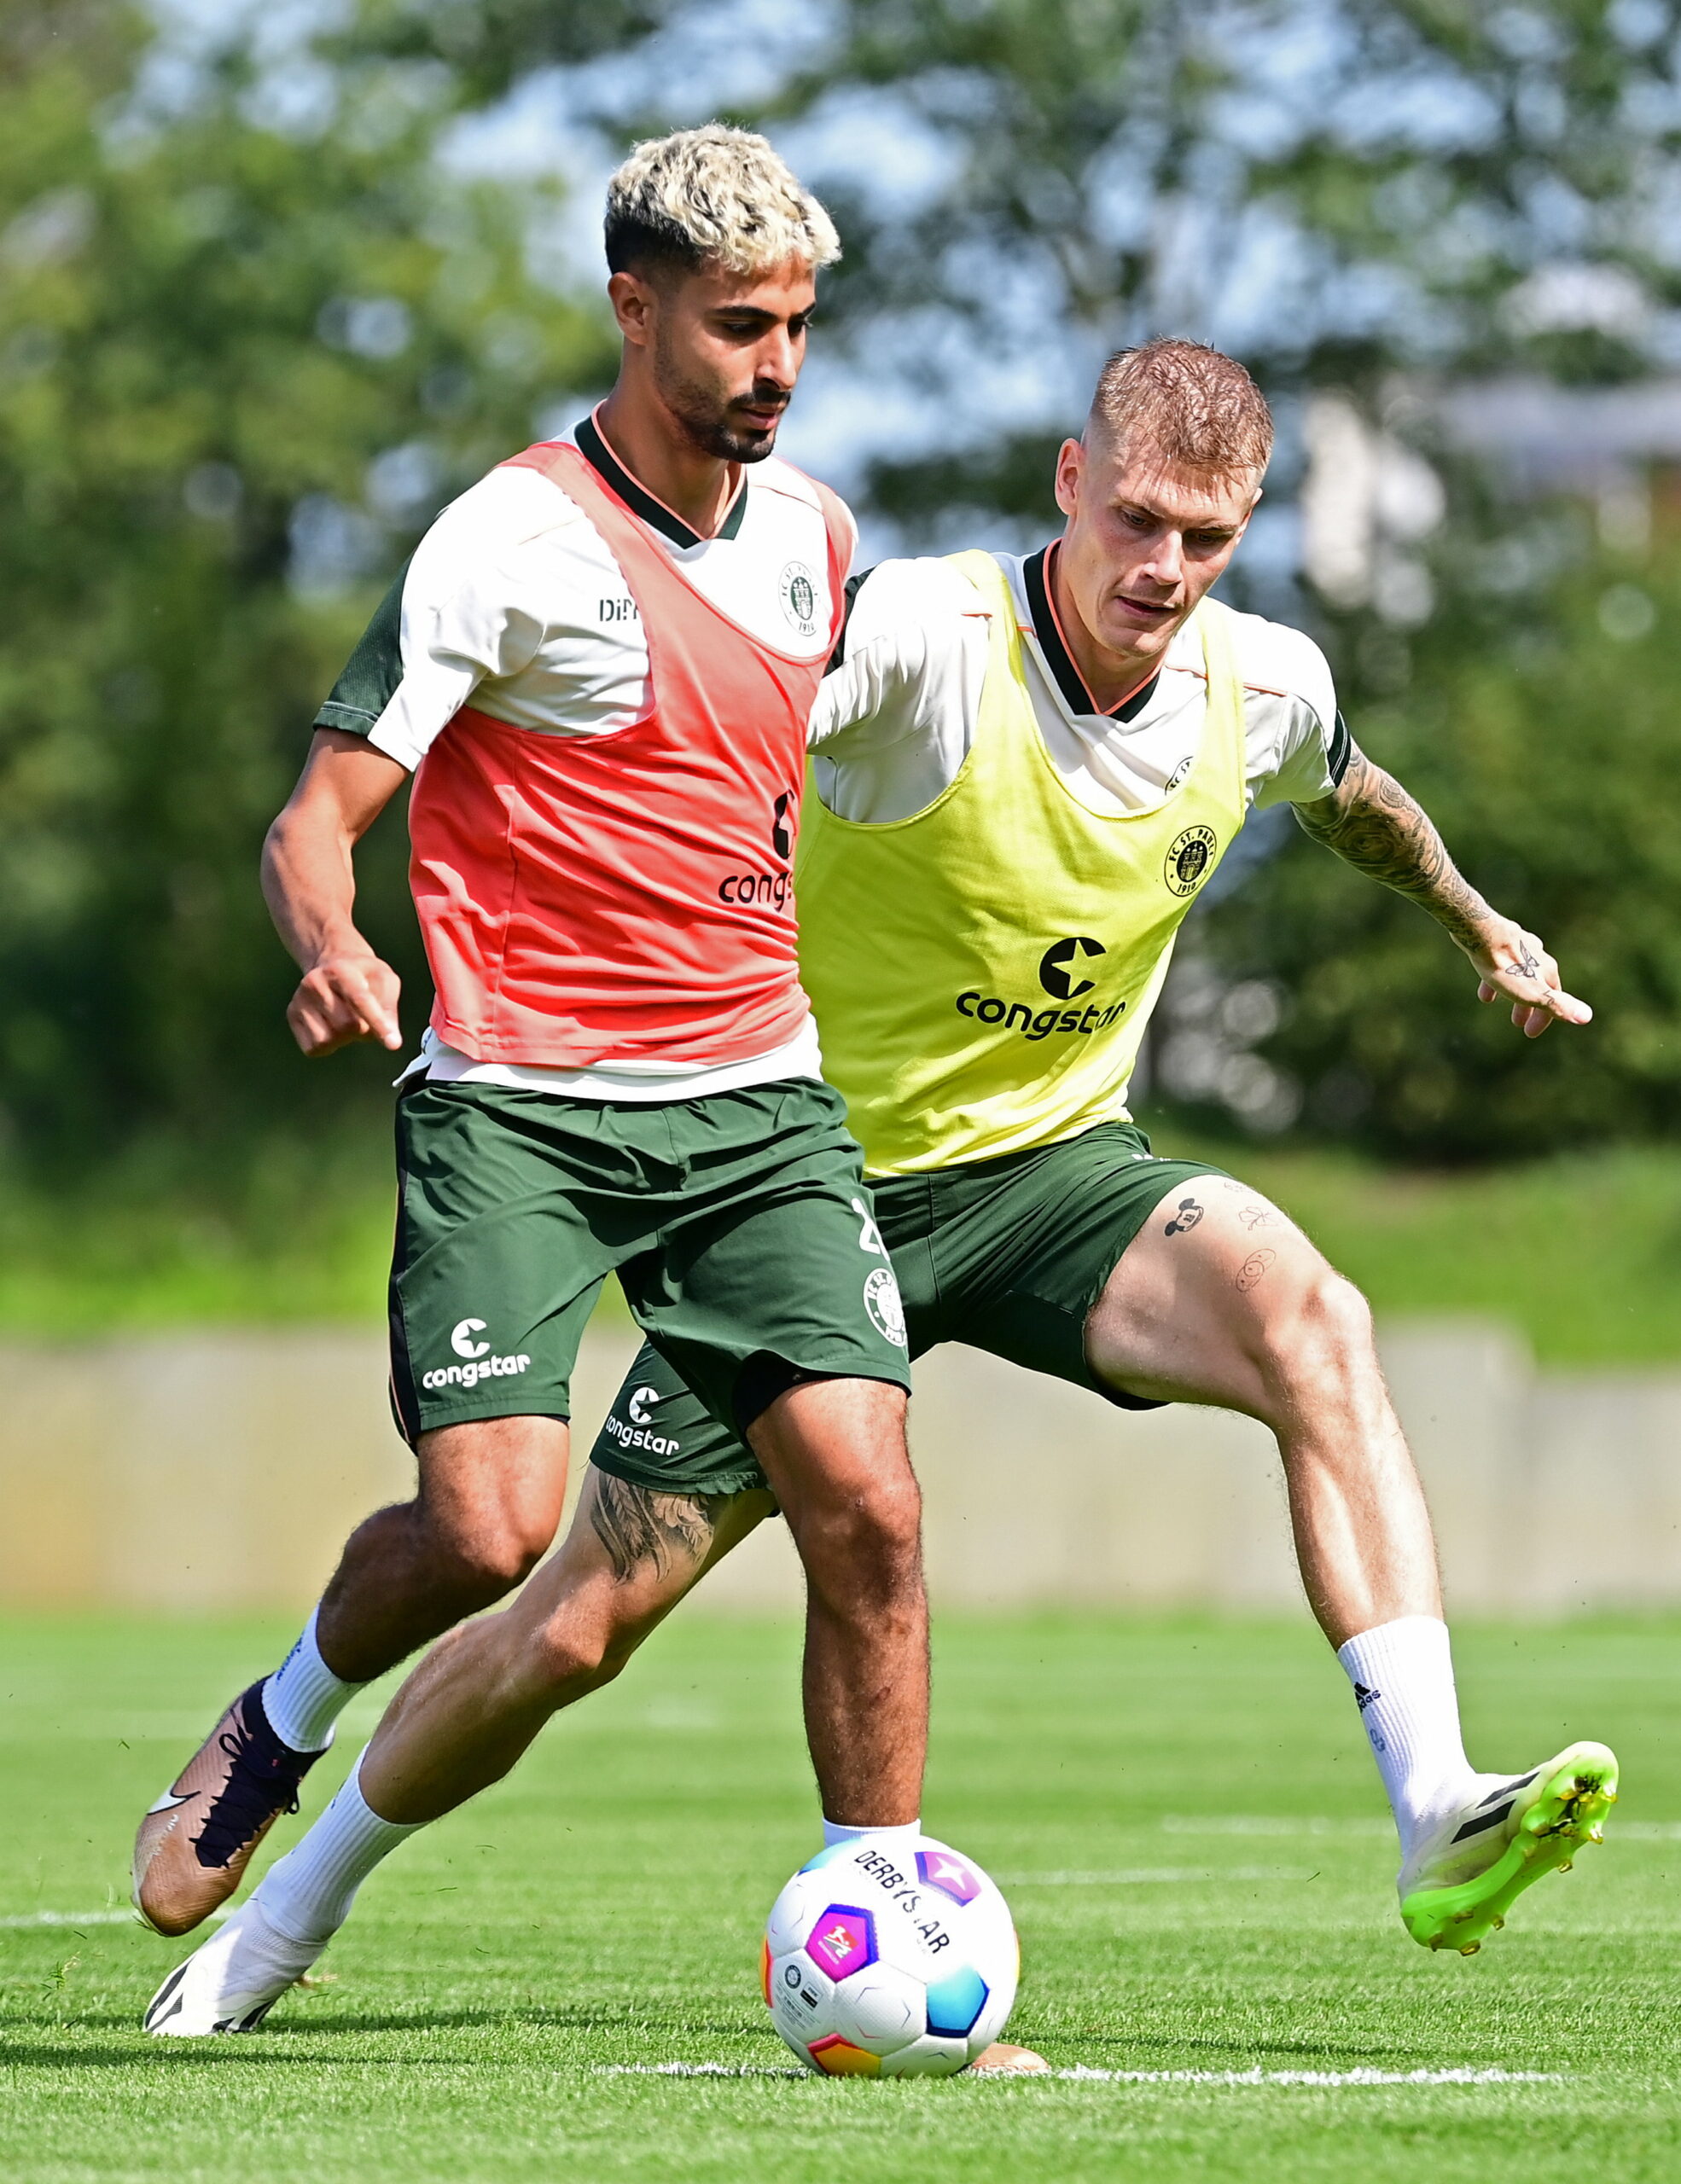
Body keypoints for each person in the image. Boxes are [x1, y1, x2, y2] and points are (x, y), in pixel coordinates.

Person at [144, 340, 1617, 2042]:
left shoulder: (1257, 685)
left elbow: (1356, 797)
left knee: (1312, 1312)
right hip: (791, 1185)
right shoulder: (921, 639)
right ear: (1069, 484)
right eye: (1138, 518)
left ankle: (1433, 1792)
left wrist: (1476, 920)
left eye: (1209, 537)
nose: (1166, 567)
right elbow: (714, 718)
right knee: (571, 1625)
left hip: (1050, 1177)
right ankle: (280, 1922)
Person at [135, 126, 931, 1991]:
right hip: (522, 1107)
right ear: (630, 306)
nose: (778, 365)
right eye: (739, 325)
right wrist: (334, 944)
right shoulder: (505, 539)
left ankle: (887, 1934)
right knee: (490, 1528)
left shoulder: (817, 537)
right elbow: (312, 819)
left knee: (869, 1502)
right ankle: (282, 1708)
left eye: (801, 325)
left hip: (755, 1106)